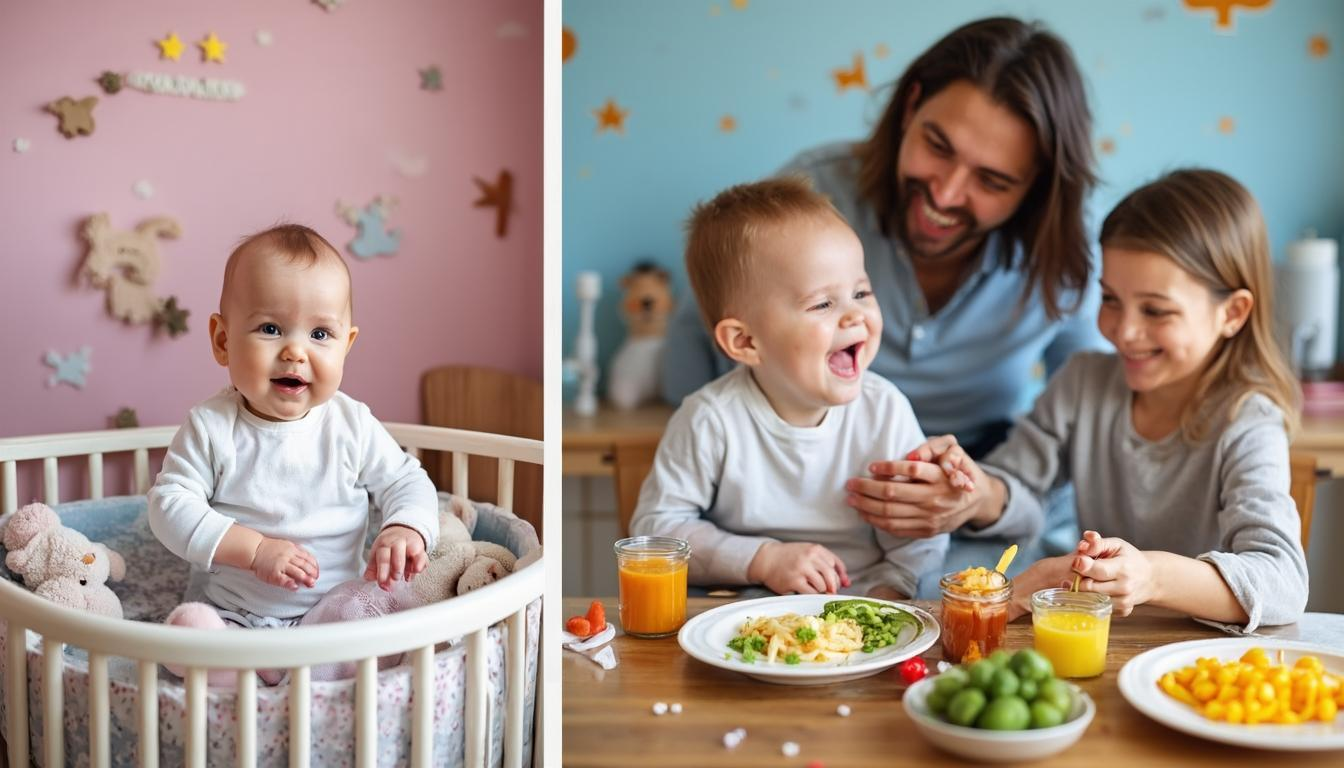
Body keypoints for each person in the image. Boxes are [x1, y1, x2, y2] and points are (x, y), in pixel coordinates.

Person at [658, 17, 1107, 587]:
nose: (946, 193)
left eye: (992, 181)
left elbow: (1083, 422)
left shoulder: (1065, 252)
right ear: (910, 107)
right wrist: (745, 471)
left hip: (979, 510)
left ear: (1035, 188)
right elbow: (697, 349)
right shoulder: (815, 198)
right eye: (937, 146)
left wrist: (981, 497)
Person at [911, 169, 1307, 629]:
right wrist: (978, 490)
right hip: (1097, 638)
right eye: (1110, 299)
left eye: (1155, 310)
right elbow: (1022, 486)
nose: (1124, 331)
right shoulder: (1084, 382)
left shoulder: (1248, 421)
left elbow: (1283, 581)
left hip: (1197, 652)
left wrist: (1152, 578)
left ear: (1232, 313)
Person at [629, 177, 948, 599]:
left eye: (861, 292)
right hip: (747, 604)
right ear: (746, 341)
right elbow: (656, 534)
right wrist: (762, 559)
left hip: (868, 598)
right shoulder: (710, 418)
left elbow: (920, 533)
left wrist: (894, 588)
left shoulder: (884, 410)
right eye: (823, 303)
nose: (854, 316)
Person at [148, 224, 439, 657]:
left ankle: (308, 669)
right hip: (237, 614)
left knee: (389, 604)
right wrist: (254, 551)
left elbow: (406, 480)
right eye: (270, 328)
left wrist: (404, 527)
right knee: (191, 629)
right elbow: (169, 506)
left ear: (346, 345)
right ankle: (238, 665)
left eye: (320, 335)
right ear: (223, 340)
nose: (295, 352)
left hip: (331, 614)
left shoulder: (351, 424)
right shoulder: (212, 426)